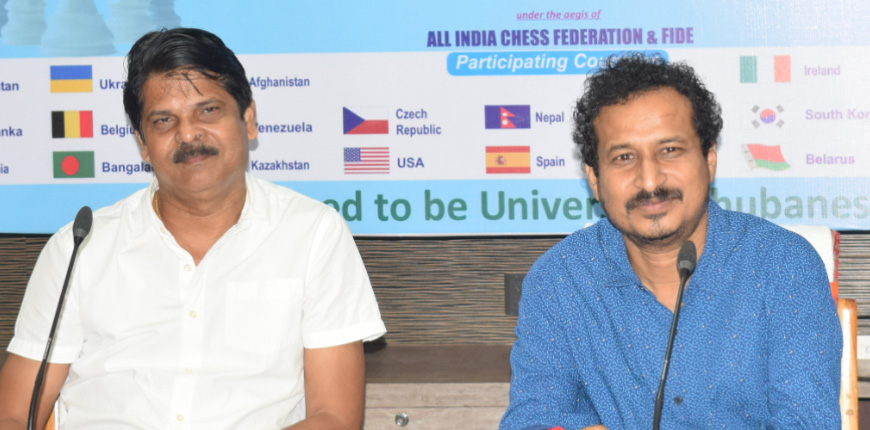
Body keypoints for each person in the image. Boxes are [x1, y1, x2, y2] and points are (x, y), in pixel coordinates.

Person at [0, 28, 385, 429]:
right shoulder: (81, 246)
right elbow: (11, 414)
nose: (187, 134)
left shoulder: (313, 234)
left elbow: (334, 418)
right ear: (143, 143)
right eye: (164, 120)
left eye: (208, 111)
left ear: (249, 119)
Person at [500, 53, 841, 429]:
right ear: (595, 179)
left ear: (709, 159)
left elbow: (808, 422)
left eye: (670, 151)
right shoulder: (560, 280)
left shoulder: (784, 266)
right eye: (624, 157)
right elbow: (533, 420)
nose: (649, 181)